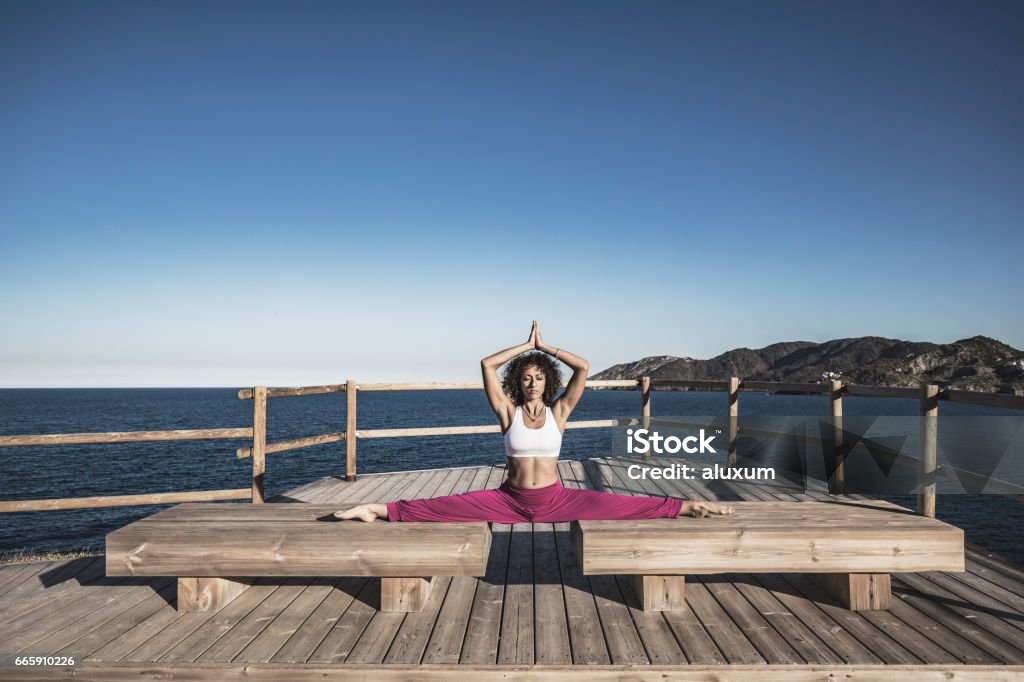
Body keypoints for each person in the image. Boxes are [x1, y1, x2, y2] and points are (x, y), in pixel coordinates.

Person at [334, 321, 734, 522]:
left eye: (539, 376)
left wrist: (546, 347)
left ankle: (688, 506)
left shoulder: (560, 412)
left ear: (548, 380)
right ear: (517, 381)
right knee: (444, 506)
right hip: (510, 498)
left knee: (624, 504)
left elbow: (584, 368)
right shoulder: (507, 412)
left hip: (558, 497)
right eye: (526, 376)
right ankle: (377, 509)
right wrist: (526, 346)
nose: (532, 382)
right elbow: (486, 364)